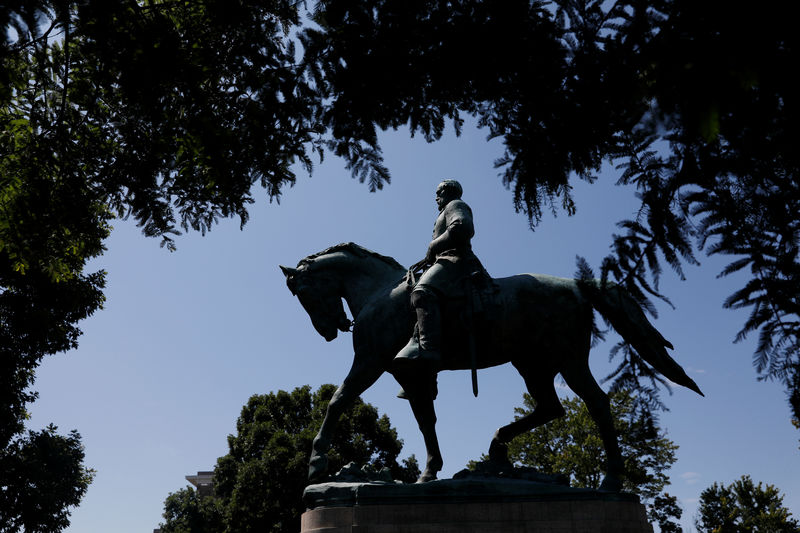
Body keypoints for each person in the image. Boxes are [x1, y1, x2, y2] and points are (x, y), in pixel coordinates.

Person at [394, 179, 483, 370]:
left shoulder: (455, 205)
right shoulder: (444, 211)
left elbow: (462, 226)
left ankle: (429, 350)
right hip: (443, 261)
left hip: (455, 260)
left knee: (422, 291)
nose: (436, 198)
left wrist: (433, 245)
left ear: (448, 192)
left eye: (438, 193)